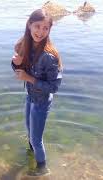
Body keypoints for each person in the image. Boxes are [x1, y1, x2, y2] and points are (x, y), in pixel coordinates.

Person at [11, 9, 63, 176]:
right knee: (30, 133)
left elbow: (54, 87)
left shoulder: (49, 56)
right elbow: (20, 71)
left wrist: (29, 78)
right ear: (29, 25)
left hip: (41, 101)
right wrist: (16, 64)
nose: (40, 32)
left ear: (49, 30)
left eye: (45, 28)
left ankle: (42, 169)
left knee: (36, 139)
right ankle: (32, 156)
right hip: (30, 96)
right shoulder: (24, 45)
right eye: (37, 26)